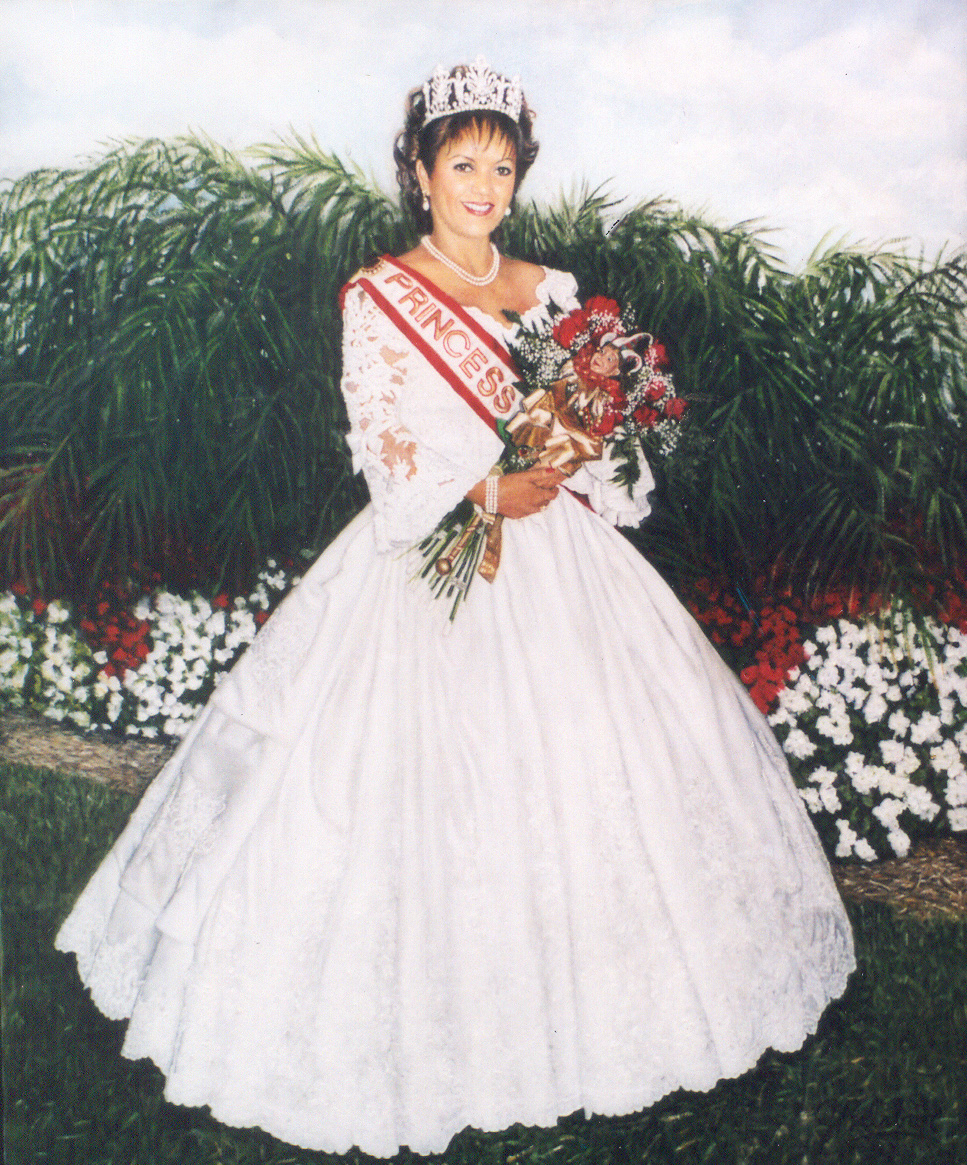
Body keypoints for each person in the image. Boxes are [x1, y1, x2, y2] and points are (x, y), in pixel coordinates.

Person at [56, 59, 855, 1158]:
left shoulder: (556, 292)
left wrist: (575, 453)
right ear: (421, 174)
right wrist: (484, 490)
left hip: (564, 563)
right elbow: (385, 444)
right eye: (462, 164)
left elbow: (610, 452)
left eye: (501, 167)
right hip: (430, 560)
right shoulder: (379, 295)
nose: (483, 186)